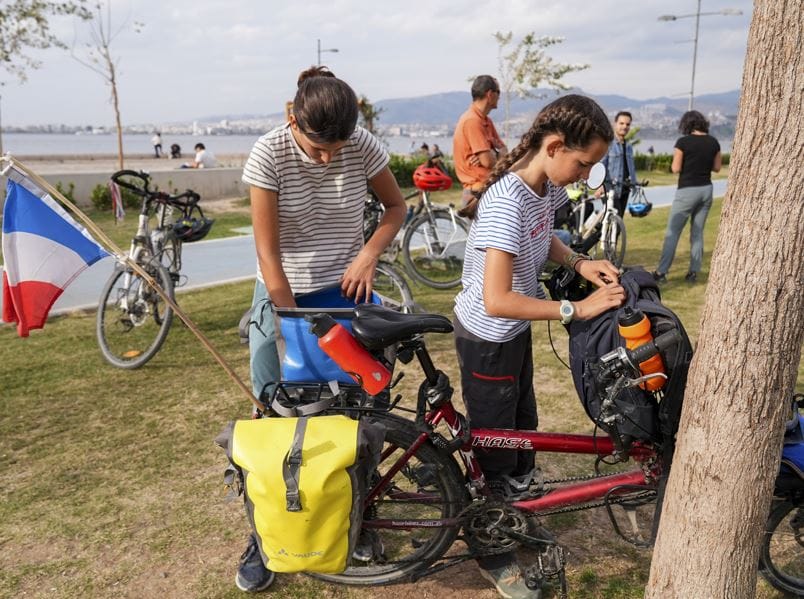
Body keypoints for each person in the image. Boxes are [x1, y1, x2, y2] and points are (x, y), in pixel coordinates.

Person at [236, 65, 406, 593]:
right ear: (293, 120)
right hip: (284, 293)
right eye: (318, 149)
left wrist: (368, 256)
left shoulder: (362, 144)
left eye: (338, 148)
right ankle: (265, 534)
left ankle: (357, 515)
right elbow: (269, 255)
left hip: (345, 292)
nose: (330, 158)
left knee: (356, 412)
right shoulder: (269, 154)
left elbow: (395, 207)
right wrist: (292, 326)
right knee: (278, 414)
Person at [453, 94, 625, 599]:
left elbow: (544, 235)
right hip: (487, 336)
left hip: (513, 332)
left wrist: (577, 262)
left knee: (521, 427)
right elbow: (498, 299)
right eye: (583, 164)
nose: (585, 175)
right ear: (553, 147)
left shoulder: (544, 187)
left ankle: (516, 508)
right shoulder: (506, 202)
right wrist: (578, 309)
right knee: (494, 445)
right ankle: (490, 545)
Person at [652, 110, 721, 284]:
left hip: (687, 191)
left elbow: (675, 168)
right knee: (697, 233)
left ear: (687, 124)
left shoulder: (683, 142)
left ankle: (661, 272)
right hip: (706, 190)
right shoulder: (714, 142)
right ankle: (693, 273)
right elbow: (717, 167)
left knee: (673, 232)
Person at [453, 75, 508, 217]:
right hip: (477, 194)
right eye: (498, 92)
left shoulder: (486, 121)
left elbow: (505, 153)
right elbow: (488, 161)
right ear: (490, 94)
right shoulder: (472, 121)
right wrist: (495, 154)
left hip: (487, 189)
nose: (500, 97)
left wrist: (494, 154)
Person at [598, 111, 638, 217]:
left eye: (628, 124)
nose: (625, 127)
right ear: (615, 123)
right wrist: (600, 185)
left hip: (625, 189)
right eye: (621, 123)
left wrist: (635, 183)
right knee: (614, 220)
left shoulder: (629, 146)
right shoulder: (608, 143)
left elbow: (631, 168)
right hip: (610, 189)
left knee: (618, 220)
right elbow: (601, 165)